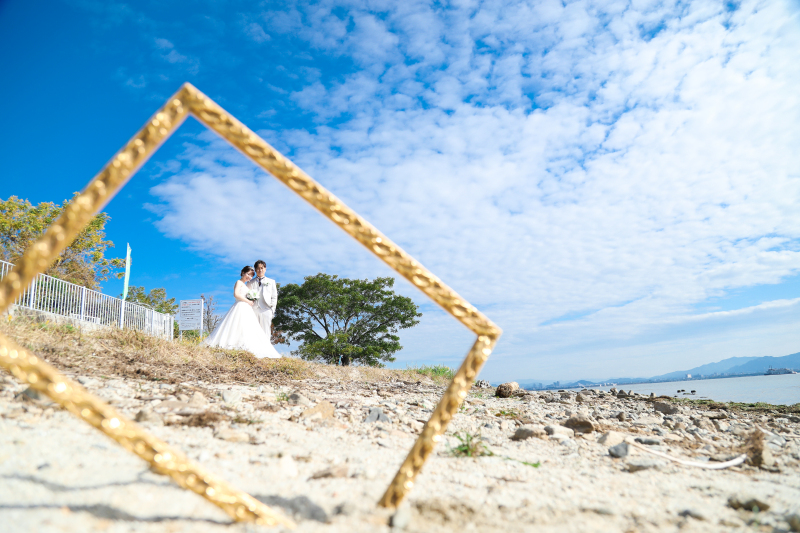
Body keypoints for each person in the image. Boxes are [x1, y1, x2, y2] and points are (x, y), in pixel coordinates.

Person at [204, 265, 280, 359]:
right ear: (243, 273)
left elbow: (274, 297)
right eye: (248, 274)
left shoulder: (248, 284)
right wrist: (248, 301)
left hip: (253, 309)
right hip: (242, 306)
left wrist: (271, 310)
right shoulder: (239, 282)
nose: (249, 277)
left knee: (250, 329)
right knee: (237, 326)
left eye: (251, 275)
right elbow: (236, 294)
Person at [246, 259, 277, 338]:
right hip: (254, 309)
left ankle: (266, 349)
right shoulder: (250, 282)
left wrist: (272, 310)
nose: (260, 270)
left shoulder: (271, 282)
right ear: (255, 269)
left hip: (266, 309)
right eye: (258, 268)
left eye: (262, 268)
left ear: (265, 269)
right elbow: (247, 295)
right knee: (253, 331)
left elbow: (274, 297)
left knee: (266, 332)